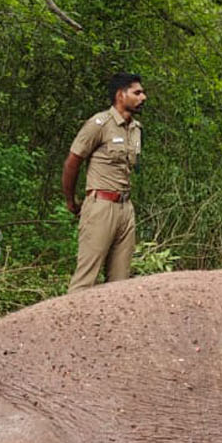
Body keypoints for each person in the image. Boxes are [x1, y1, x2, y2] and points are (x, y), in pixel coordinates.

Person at [61, 72, 146, 292]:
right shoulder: (99, 124)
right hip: (101, 206)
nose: (143, 97)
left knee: (119, 283)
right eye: (137, 92)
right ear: (120, 95)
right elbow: (72, 162)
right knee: (86, 279)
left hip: (125, 208)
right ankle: (70, 323)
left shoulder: (135, 129)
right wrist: (71, 201)